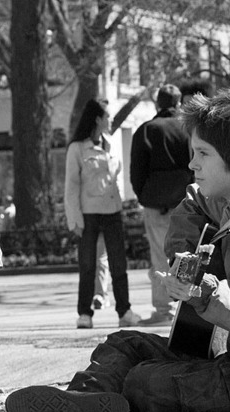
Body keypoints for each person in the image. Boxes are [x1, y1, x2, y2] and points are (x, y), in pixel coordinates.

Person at [6, 89, 230, 412]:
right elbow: (192, 203)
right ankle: (87, 400)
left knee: (146, 381)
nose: (192, 164)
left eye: (203, 154)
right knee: (124, 344)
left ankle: (117, 402)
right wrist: (186, 260)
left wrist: (205, 291)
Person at [64, 98, 140, 330]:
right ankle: (84, 313)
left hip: (112, 211)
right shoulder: (77, 148)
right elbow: (71, 186)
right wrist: (74, 219)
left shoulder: (110, 144)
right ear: (97, 119)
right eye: (107, 116)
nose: (110, 120)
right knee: (87, 265)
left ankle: (124, 311)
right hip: (88, 214)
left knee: (119, 263)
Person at [129, 83, 192, 326]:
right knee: (188, 255)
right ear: (178, 103)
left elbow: (136, 172)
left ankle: (163, 310)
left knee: (160, 257)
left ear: (158, 103)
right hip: (187, 203)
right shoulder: (188, 129)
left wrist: (144, 196)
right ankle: (188, 309)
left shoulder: (146, 130)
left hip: (156, 204)